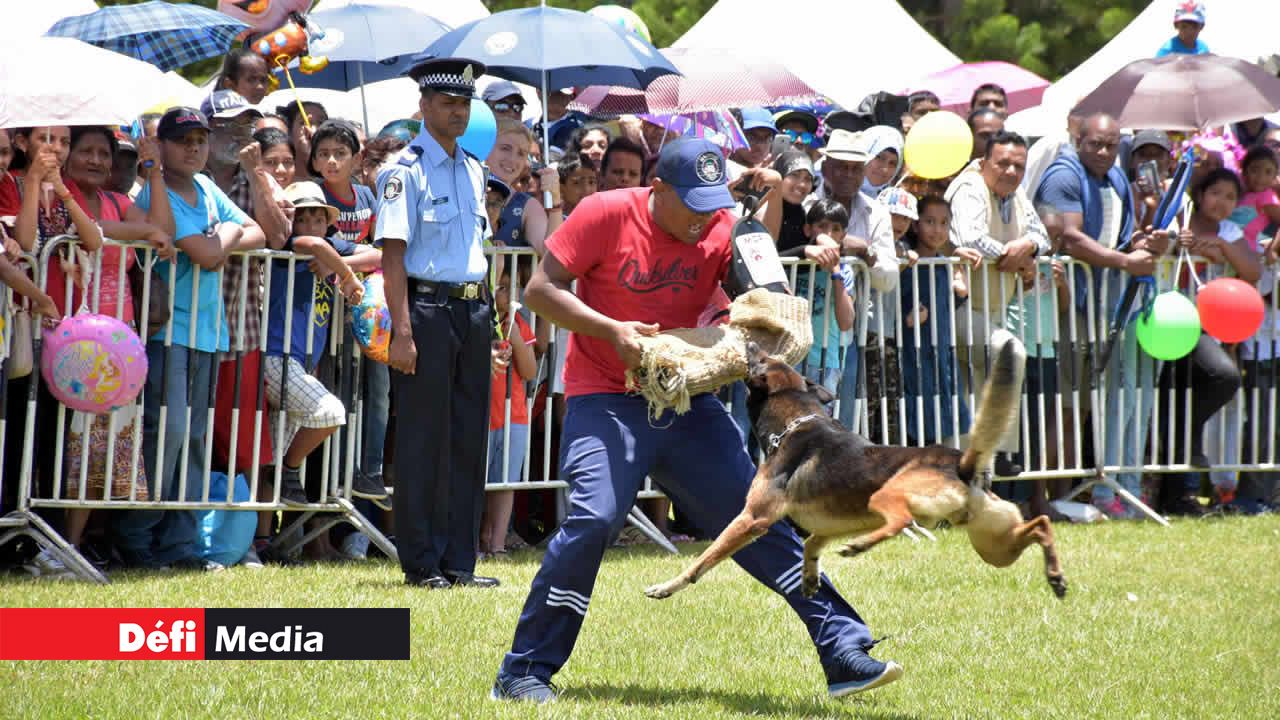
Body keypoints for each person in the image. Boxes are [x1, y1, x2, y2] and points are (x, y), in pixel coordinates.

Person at [491, 138, 900, 703]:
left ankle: (845, 650)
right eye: (692, 204)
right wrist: (612, 329)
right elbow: (539, 290)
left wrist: (760, 319)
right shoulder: (604, 212)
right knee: (592, 519)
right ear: (657, 189)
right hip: (606, 395)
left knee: (758, 518)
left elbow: (766, 304)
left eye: (713, 204)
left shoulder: (724, 225)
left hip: (689, 403)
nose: (704, 218)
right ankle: (524, 672)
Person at [114, 107, 266, 569]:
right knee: (168, 432)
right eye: (182, 139)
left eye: (200, 138)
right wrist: (221, 237)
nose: (194, 147)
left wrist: (224, 231)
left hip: (207, 332)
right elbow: (205, 254)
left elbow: (256, 232)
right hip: (167, 333)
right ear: (159, 146)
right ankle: (136, 534)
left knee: (195, 437)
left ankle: (180, 545)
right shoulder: (150, 195)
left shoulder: (206, 188)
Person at [375, 57, 499, 590]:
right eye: (447, 102)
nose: (457, 111)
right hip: (425, 311)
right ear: (423, 107)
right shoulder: (404, 171)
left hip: (472, 309)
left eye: (464, 102)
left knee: (469, 437)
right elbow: (393, 257)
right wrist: (402, 332)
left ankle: (459, 561)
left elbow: (479, 249)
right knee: (423, 437)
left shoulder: (475, 168)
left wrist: (489, 318)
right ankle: (422, 561)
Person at [1035, 112, 1166, 518]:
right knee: (1064, 404)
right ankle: (1041, 497)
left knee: (1082, 405)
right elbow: (1070, 238)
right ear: (1079, 139)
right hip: (1065, 300)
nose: (1104, 152)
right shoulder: (1063, 175)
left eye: (1111, 145)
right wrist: (1126, 264)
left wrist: (1147, 239)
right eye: (1095, 143)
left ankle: (1069, 494)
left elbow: (1120, 239)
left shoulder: (1116, 179)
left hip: (1101, 305)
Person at [264, 181, 378, 504]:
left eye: (317, 218)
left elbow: (378, 255)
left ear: (328, 222)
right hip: (277, 357)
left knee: (274, 451)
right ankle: (287, 470)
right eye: (303, 217)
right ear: (292, 222)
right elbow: (314, 244)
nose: (310, 225)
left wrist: (340, 266)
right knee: (331, 412)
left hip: (303, 362)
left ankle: (264, 541)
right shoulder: (290, 242)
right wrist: (347, 277)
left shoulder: (329, 247)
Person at [1155, 169, 1261, 516]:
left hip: (1201, 328)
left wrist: (1222, 248)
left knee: (1221, 379)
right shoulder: (1179, 217)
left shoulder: (1228, 232)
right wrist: (1176, 243)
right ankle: (1172, 490)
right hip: (1166, 321)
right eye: (1216, 193)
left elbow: (1252, 271)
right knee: (1174, 401)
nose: (1222, 202)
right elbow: (1156, 246)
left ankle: (1183, 472)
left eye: (1231, 197)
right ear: (1200, 195)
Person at [898, 195, 980, 447]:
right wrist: (907, 319)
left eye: (944, 223)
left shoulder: (944, 264)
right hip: (914, 353)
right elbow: (893, 304)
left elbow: (943, 306)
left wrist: (960, 294)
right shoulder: (907, 264)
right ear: (915, 224)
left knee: (942, 413)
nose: (937, 229)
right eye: (930, 221)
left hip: (941, 351)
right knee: (917, 415)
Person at [480, 263, 538, 559]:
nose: (504, 294)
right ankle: (476, 539)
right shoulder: (479, 323)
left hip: (513, 416)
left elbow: (529, 371)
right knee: (478, 480)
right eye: (499, 288)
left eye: (509, 288)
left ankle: (497, 542)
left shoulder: (519, 324)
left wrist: (514, 336)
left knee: (505, 482)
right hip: (483, 416)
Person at [487, 119, 562, 252]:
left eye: (521, 153)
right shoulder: (462, 188)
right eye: (505, 148)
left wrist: (555, 203)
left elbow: (550, 254)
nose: (512, 159)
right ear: (486, 147)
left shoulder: (527, 205)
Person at [1230, 146, 1280, 251]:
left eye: (1268, 172)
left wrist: (1272, 248)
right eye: (1254, 170)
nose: (1261, 177)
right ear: (1243, 172)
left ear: (1275, 176)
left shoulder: (1266, 197)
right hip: (1231, 249)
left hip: (1249, 253)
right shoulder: (1240, 194)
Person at [859, 126, 905, 197]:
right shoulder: (837, 193)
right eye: (880, 158)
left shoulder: (893, 204)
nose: (885, 169)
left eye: (892, 163)